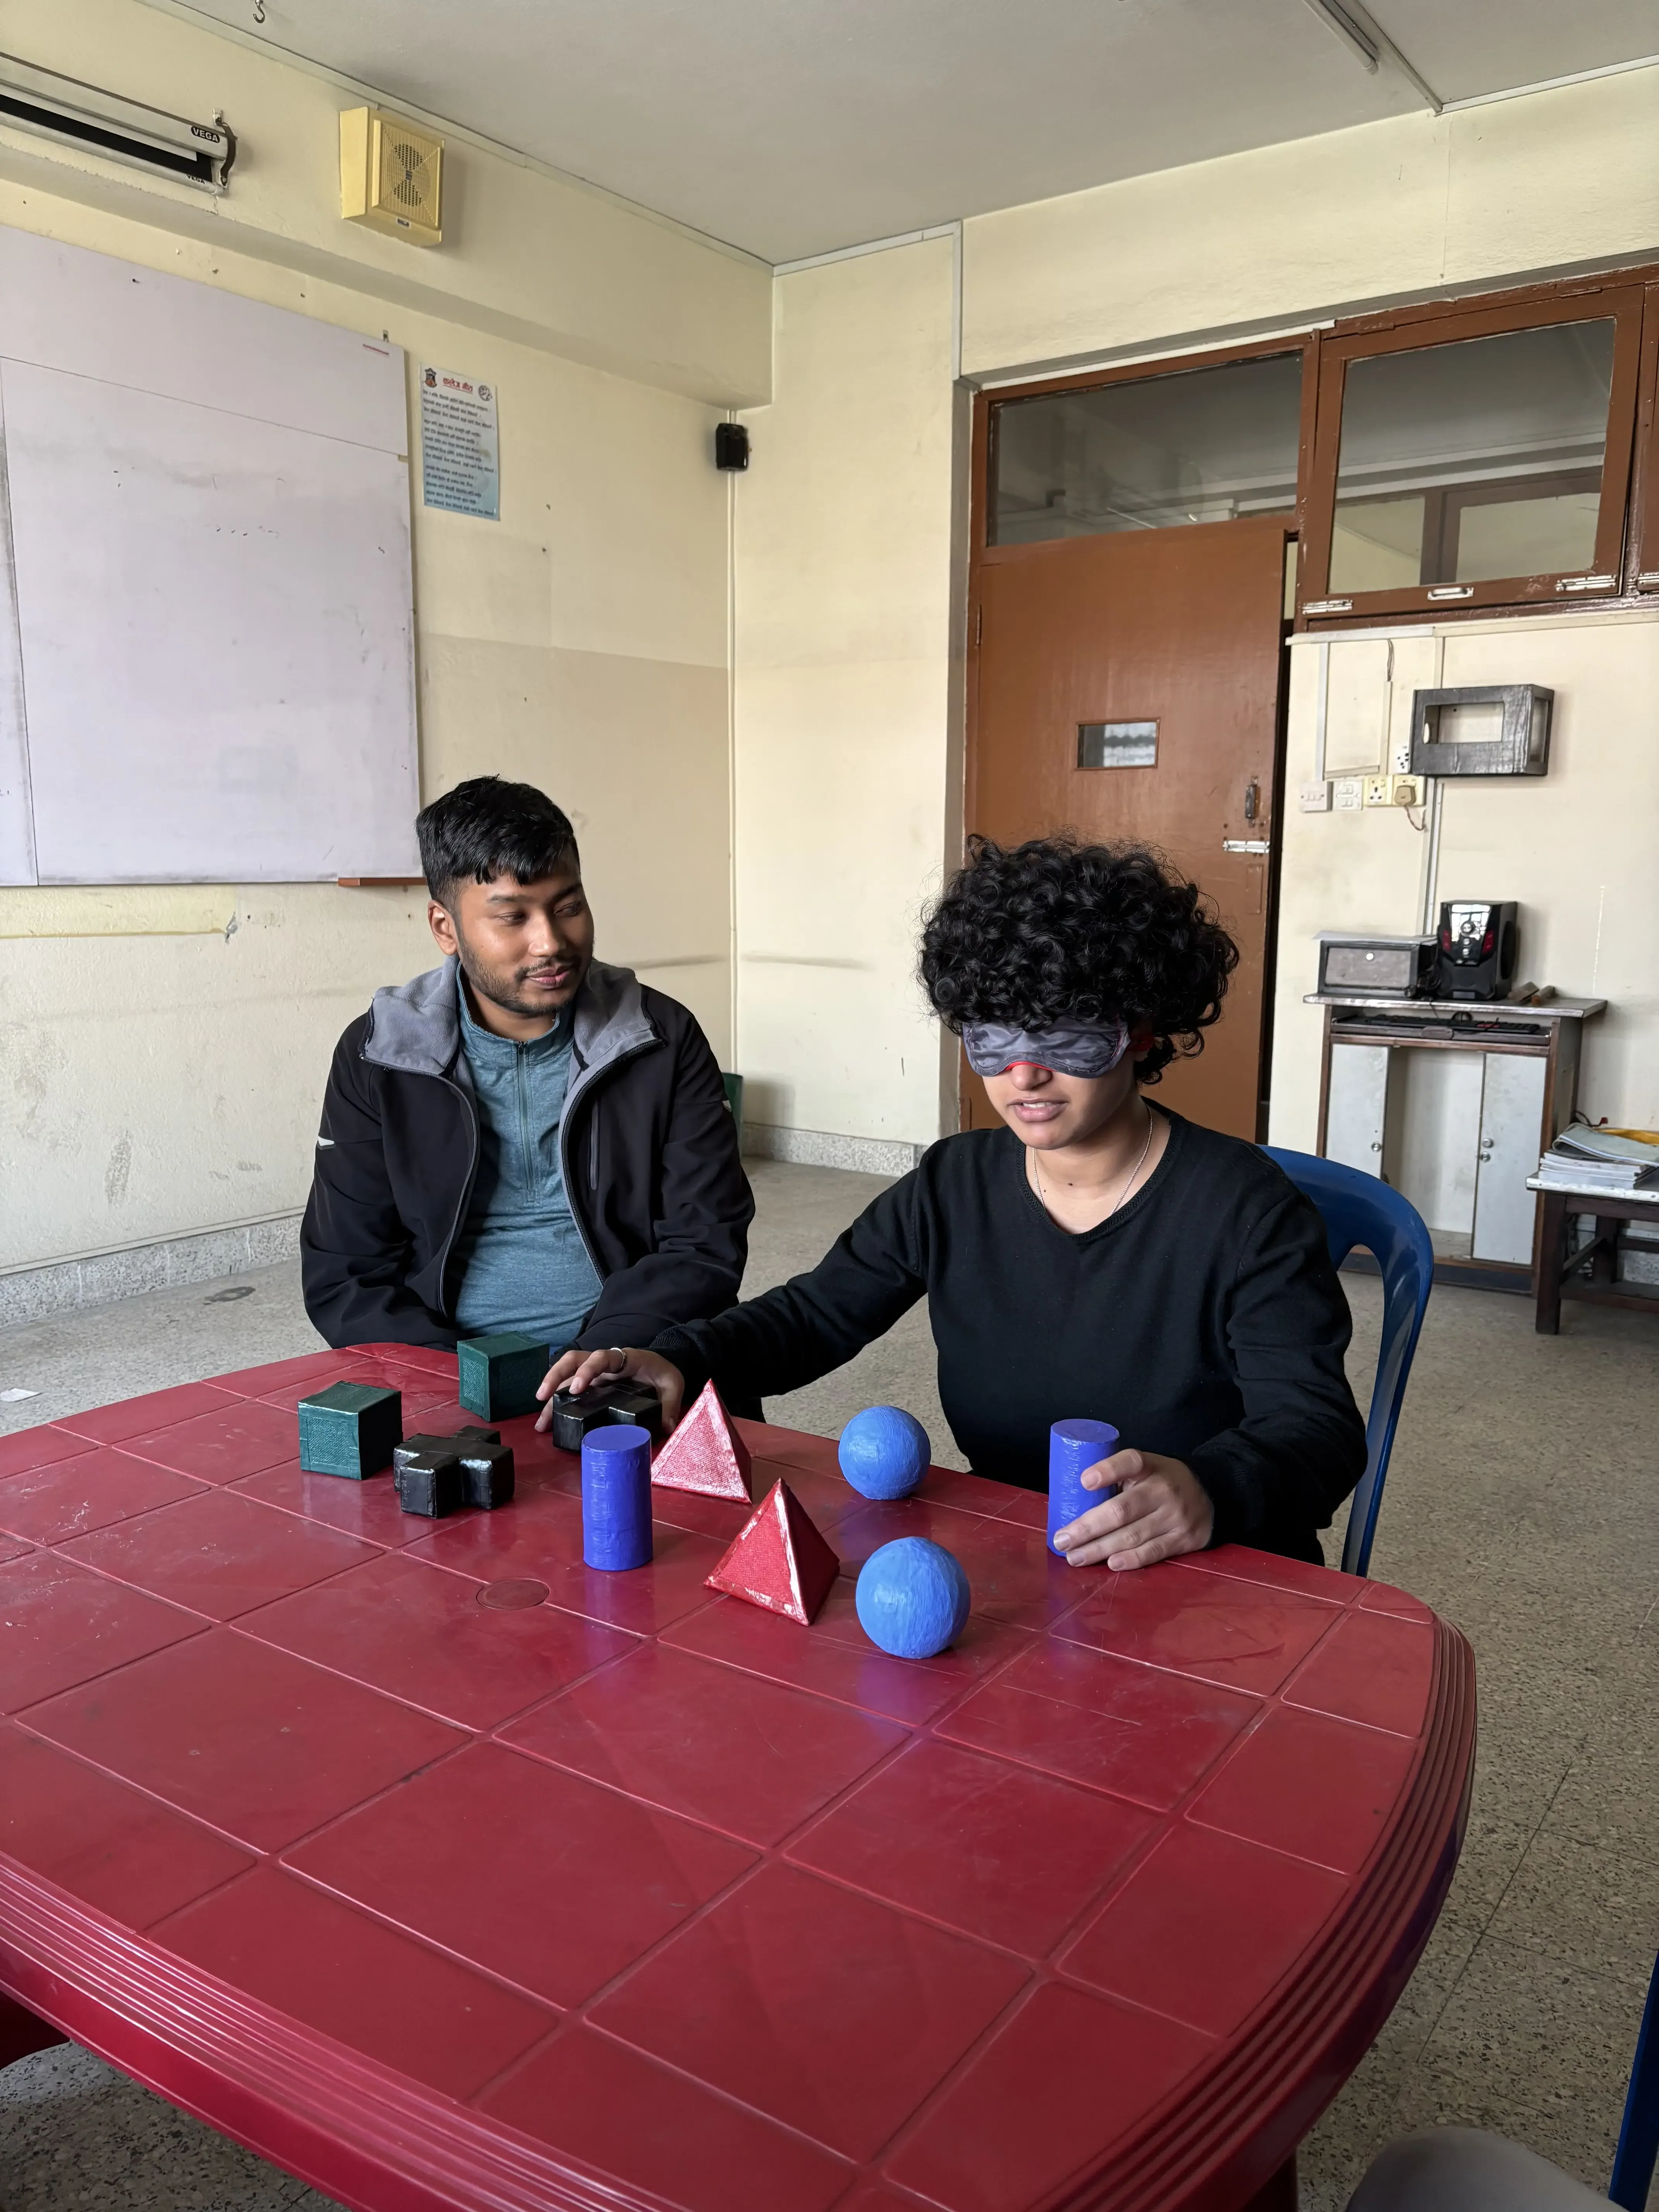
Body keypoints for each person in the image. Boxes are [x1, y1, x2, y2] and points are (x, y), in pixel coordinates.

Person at [539, 835, 1367, 1570]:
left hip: (1210, 1566)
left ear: (1142, 1033)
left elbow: (1318, 1431)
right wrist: (679, 1356)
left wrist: (1210, 1489)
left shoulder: (1247, 1212)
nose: (1024, 1076)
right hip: (1026, 1555)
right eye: (993, 1038)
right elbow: (813, 1317)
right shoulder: (953, 1185)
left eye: (1066, 1035)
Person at [302, 775, 753, 1357]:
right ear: (446, 928)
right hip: (442, 1365)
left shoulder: (658, 1037)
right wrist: (455, 1383)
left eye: (568, 907)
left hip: (634, 1351)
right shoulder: (380, 1054)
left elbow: (703, 1242)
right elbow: (346, 1272)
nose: (550, 943)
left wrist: (606, 1357)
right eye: (513, 918)